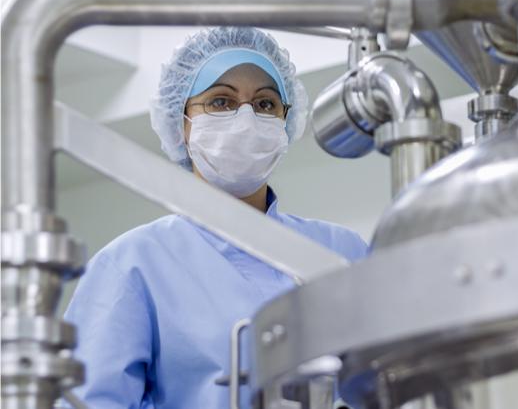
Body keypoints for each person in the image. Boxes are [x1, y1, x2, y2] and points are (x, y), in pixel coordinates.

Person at [63, 26, 369, 408]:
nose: (246, 119)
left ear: (286, 124)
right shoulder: (132, 265)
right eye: (221, 102)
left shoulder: (344, 252)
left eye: (265, 104)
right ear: (181, 124)